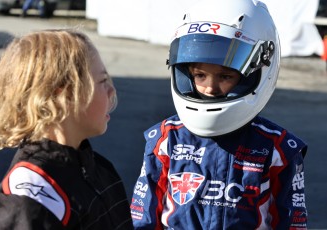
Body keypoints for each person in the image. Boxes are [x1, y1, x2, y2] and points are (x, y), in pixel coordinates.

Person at [130, 0, 308, 229]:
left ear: (254, 72)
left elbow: (293, 223)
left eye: (224, 76)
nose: (210, 88)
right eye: (200, 75)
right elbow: (142, 219)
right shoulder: (165, 139)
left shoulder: (279, 149)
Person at [0, 29, 133, 229]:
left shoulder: (102, 170)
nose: (112, 90)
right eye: (103, 81)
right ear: (62, 96)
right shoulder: (28, 200)